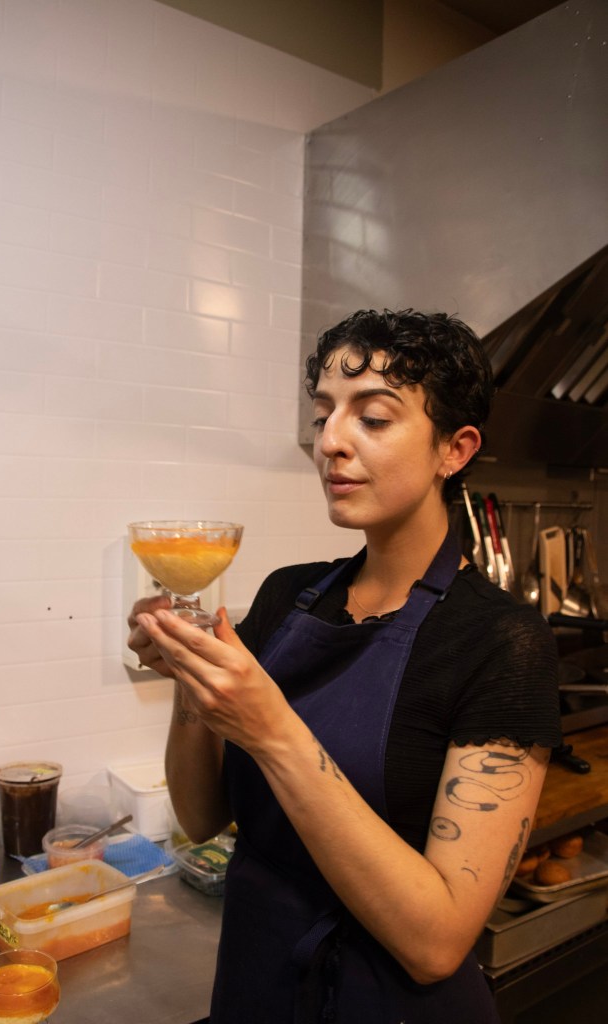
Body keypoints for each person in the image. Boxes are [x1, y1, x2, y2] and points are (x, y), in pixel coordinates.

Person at [127, 308, 562, 1023]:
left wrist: (273, 731)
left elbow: (436, 945)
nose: (329, 441)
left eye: (374, 417)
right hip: (255, 980)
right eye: (323, 414)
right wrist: (187, 672)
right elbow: (200, 815)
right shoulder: (286, 595)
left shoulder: (501, 642)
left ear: (454, 450)